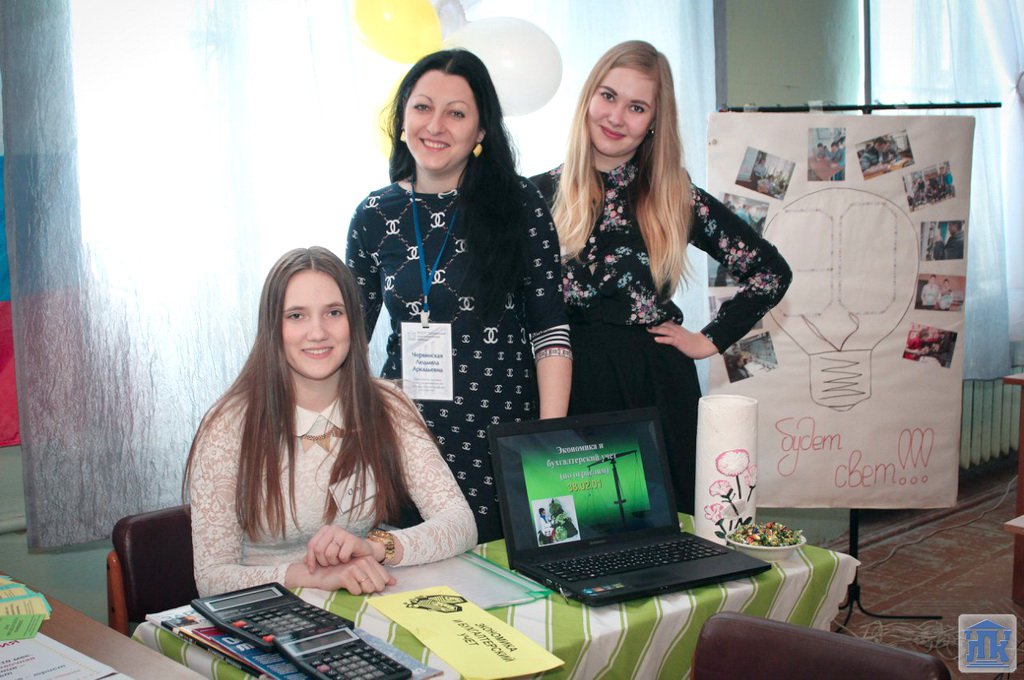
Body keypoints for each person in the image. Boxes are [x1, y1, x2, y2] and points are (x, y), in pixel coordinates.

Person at [532, 41, 791, 514]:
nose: (616, 117)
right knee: (578, 530)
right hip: (567, 384)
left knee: (665, 532)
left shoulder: (675, 196)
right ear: (588, 98)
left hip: (653, 386)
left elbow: (770, 273)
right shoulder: (535, 196)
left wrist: (708, 340)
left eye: (637, 107)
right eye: (608, 96)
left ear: (654, 120)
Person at [347, 50, 572, 543]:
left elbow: (549, 330)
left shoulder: (519, 204)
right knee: (412, 567)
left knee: (505, 572)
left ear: (481, 130)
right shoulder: (373, 214)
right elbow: (349, 338)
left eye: (456, 113)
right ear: (402, 117)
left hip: (499, 429)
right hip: (406, 435)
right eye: (422, 107)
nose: (435, 125)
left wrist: (547, 437)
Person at [184, 247, 477, 597]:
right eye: (296, 316)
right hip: (266, 609)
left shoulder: (389, 405)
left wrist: (373, 547)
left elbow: (460, 523)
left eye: (333, 313)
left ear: (353, 321)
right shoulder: (227, 426)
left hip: (361, 599)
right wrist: (312, 576)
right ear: (272, 327)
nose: (318, 332)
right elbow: (212, 577)